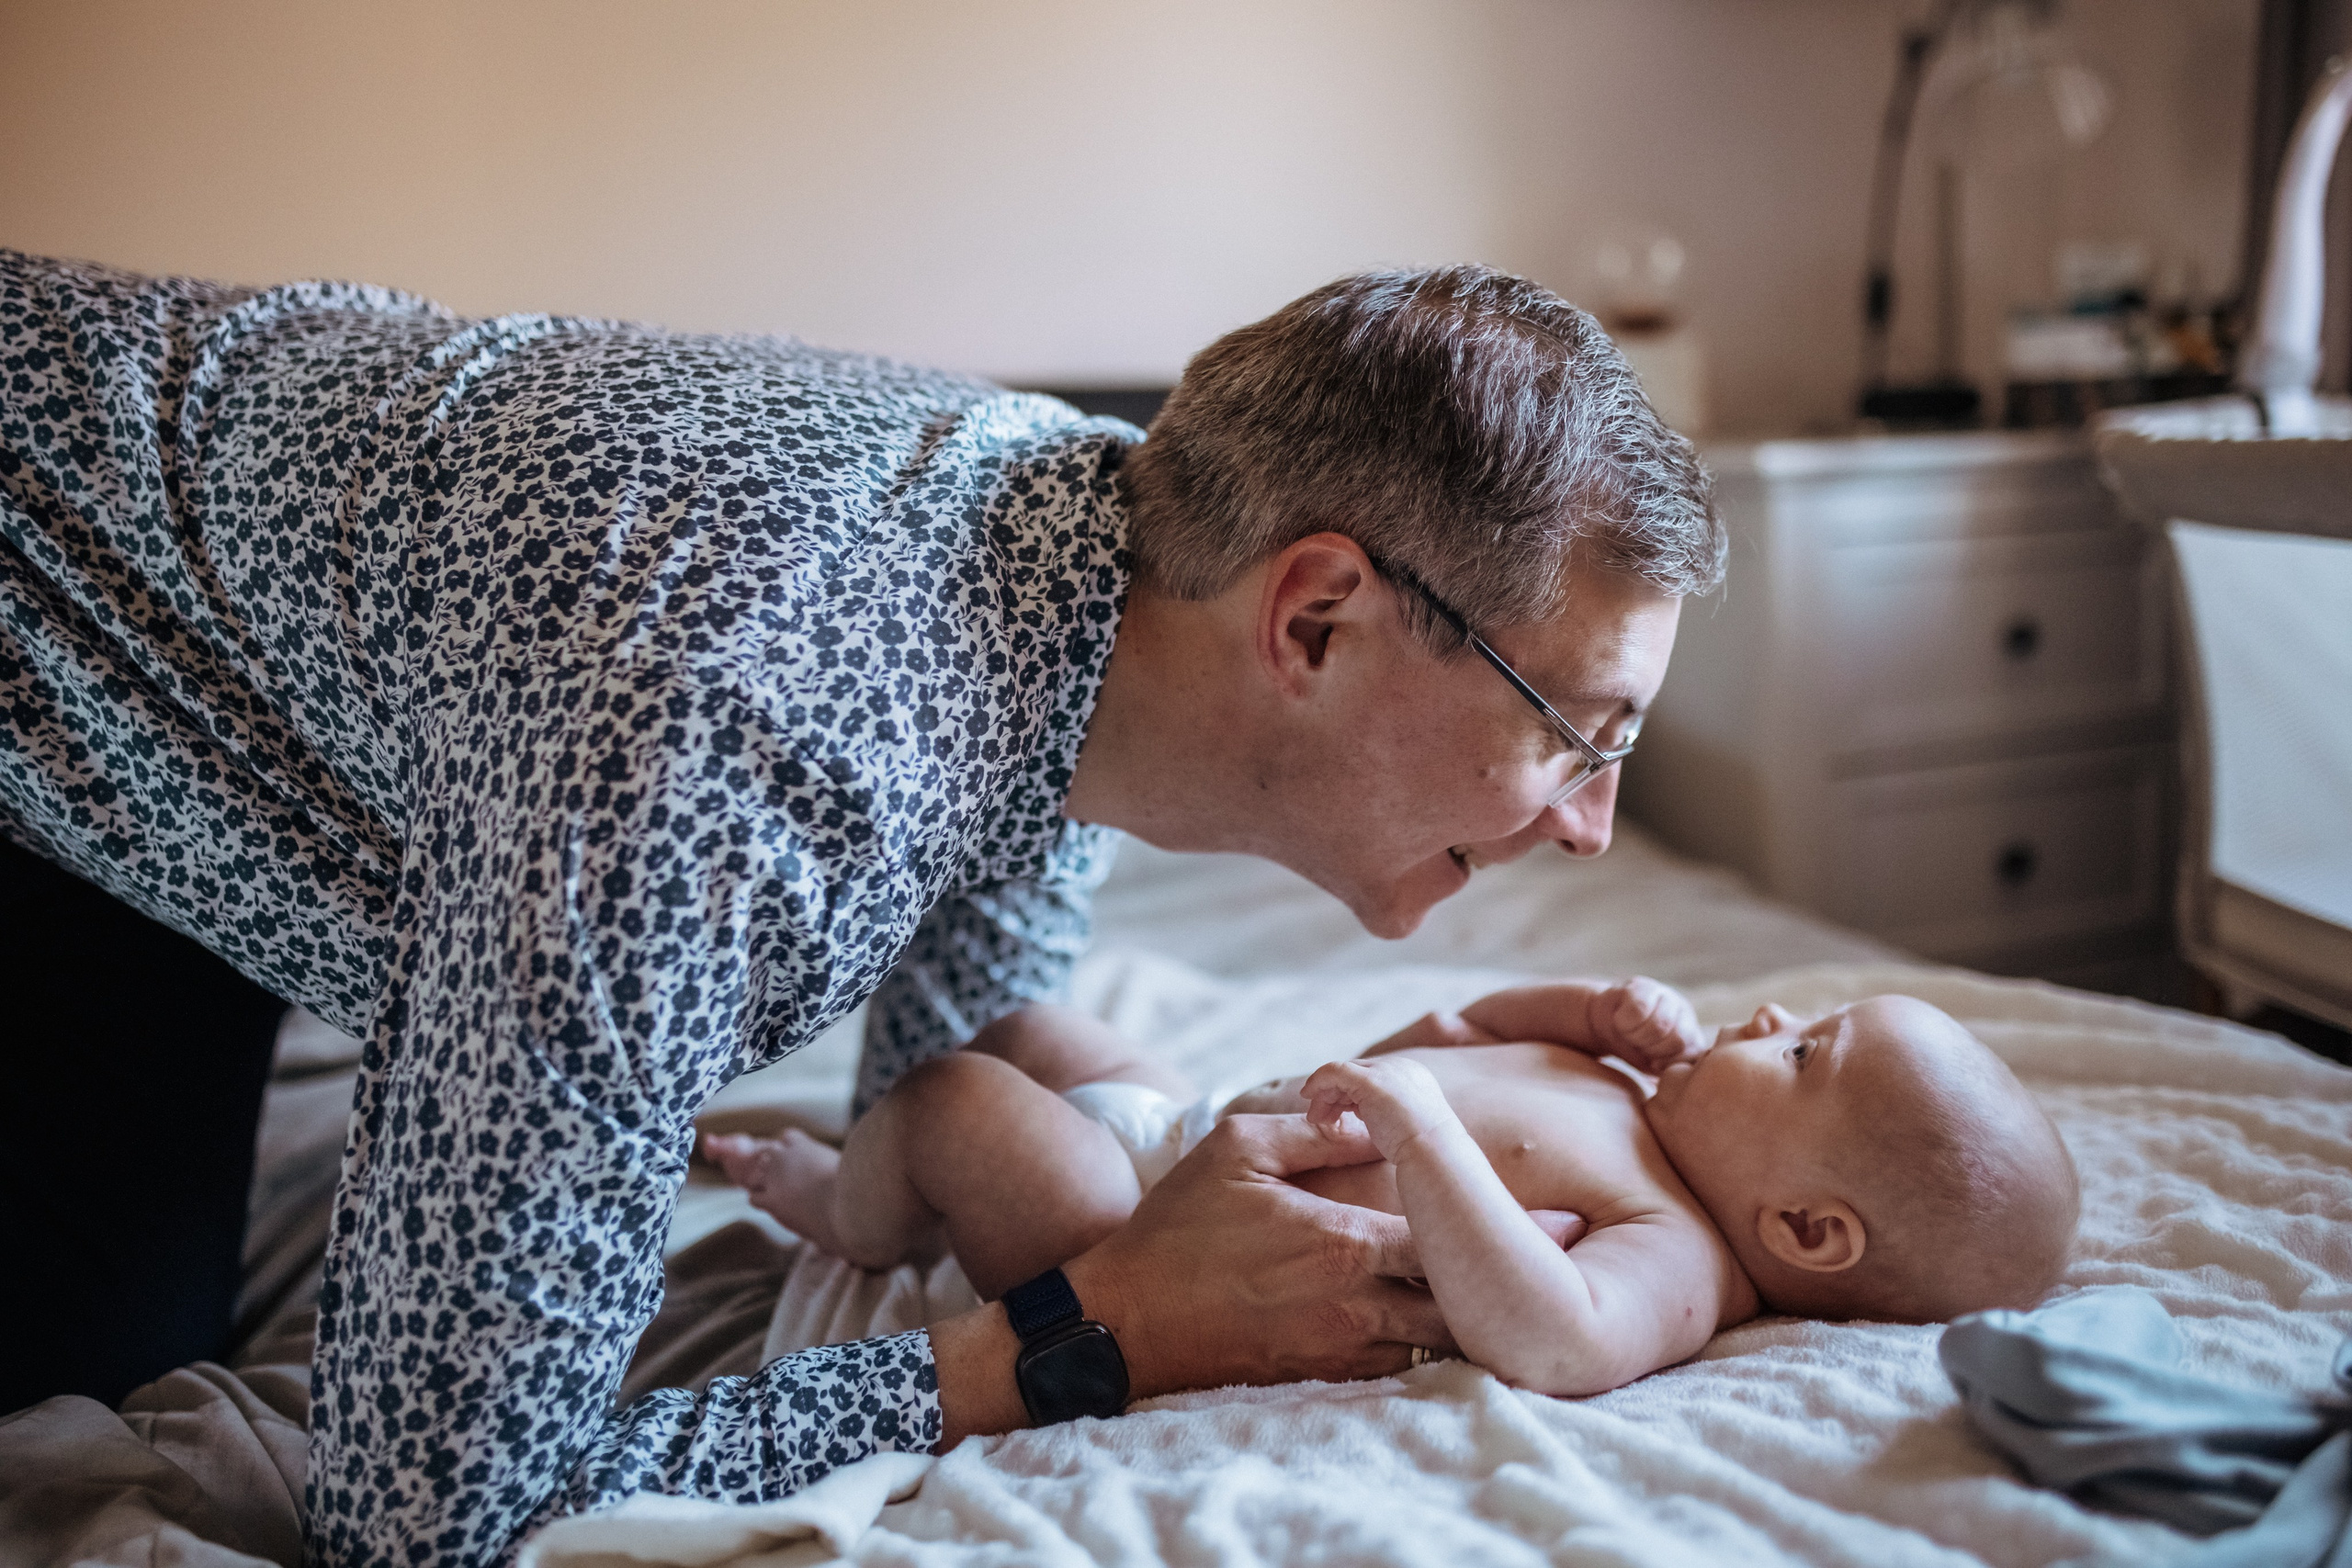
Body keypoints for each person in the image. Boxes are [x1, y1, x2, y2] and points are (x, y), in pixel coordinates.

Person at [0, 248, 1717, 1565]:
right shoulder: (734, 744)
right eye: (1580, 733)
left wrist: (1207, 1170)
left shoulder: (1081, 572)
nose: (1595, 826)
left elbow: (965, 1051)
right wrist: (1074, 1340)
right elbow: (431, 1513)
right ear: (1317, 621)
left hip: (176, 736)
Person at [707, 982, 2081, 1393]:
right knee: (1037, 1031)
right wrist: (1567, 1009)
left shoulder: (1682, 1250)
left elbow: (1559, 1335)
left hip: (1149, 1232)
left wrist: (1426, 1139)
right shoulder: (1629, 1093)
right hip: (1187, 1121)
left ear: (1806, 1231)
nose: (1768, 1010)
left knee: (957, 1101)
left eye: (1800, 1051)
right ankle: (896, 1142)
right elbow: (1444, 1043)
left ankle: (849, 1206)